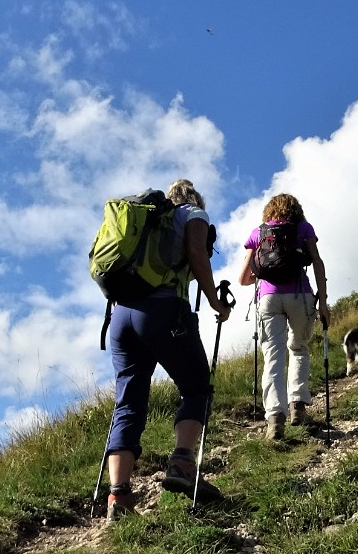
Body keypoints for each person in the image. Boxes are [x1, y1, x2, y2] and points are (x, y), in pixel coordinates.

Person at [104, 179, 232, 520]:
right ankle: (182, 464)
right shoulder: (193, 213)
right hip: (164, 311)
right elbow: (195, 252)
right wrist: (215, 300)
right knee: (196, 387)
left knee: (129, 402)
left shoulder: (143, 222)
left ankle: (118, 497)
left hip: (122, 317)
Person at [238, 193, 329, 440]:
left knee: (273, 357)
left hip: (268, 299)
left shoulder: (258, 233)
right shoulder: (303, 228)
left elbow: (243, 278)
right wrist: (323, 301)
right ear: (296, 210)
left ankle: (275, 419)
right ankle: (298, 407)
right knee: (298, 348)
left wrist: (266, 272)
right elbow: (318, 263)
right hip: (300, 295)